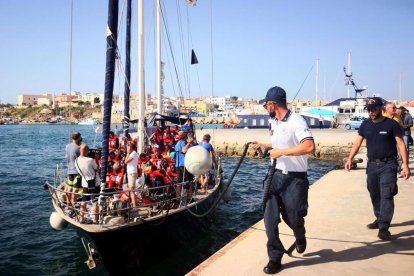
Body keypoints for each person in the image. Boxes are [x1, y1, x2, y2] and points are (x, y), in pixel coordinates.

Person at [254, 86, 315, 274]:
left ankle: (300, 234)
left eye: (266, 104)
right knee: (269, 219)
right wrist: (265, 145)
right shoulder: (274, 122)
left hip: (295, 179)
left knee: (294, 217)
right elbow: (279, 143)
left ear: (273, 104)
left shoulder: (296, 121)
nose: (265, 107)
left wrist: (280, 153)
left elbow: (309, 146)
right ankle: (275, 257)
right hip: (275, 175)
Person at [345, 97, 410, 241]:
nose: (371, 112)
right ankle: (379, 217)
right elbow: (357, 143)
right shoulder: (365, 124)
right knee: (374, 194)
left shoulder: (391, 125)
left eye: (374, 108)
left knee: (387, 194)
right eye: (369, 109)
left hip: (389, 165)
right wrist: (349, 159)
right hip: (372, 165)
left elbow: (401, 144)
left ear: (381, 108)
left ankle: (384, 227)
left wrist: (405, 165)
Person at [75, 144, 101, 223]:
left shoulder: (76, 161)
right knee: (95, 202)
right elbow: (97, 168)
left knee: (84, 201)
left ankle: (81, 219)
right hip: (95, 184)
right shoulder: (90, 160)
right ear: (86, 151)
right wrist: (96, 159)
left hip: (85, 184)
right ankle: (95, 220)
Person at [64, 132, 82, 207]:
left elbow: (66, 156)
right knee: (75, 189)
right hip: (77, 171)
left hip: (69, 170)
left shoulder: (67, 146)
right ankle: (74, 204)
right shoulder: (78, 148)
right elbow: (82, 158)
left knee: (69, 188)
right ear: (78, 138)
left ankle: (68, 203)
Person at [125, 141, 139, 207]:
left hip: (132, 173)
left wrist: (127, 154)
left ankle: (134, 205)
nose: (127, 148)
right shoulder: (133, 153)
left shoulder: (133, 153)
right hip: (130, 172)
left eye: (128, 146)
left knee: (131, 190)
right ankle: (134, 202)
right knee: (131, 189)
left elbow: (126, 161)